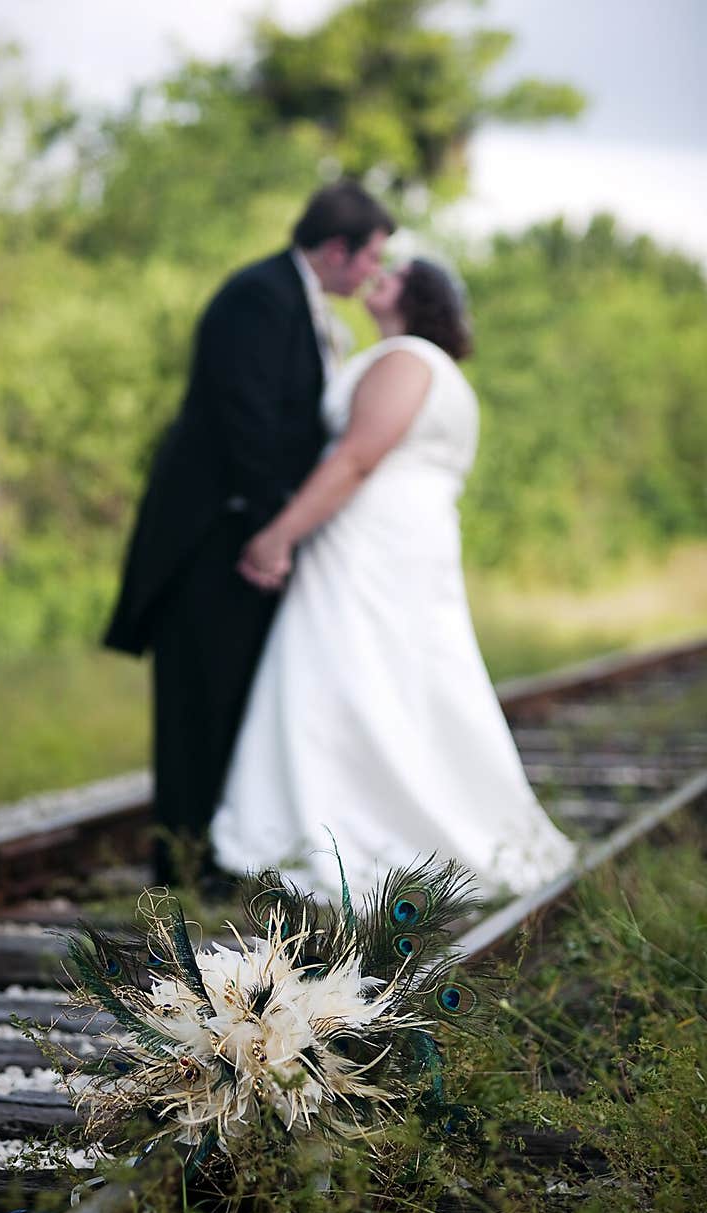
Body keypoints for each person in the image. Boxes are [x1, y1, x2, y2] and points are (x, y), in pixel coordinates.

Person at [211, 258, 577, 902]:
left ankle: (359, 831)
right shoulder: (419, 363)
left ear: (421, 294)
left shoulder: (406, 358)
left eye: (398, 269)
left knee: (356, 673)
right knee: (387, 678)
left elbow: (355, 458)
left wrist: (279, 535)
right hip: (399, 542)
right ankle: (342, 821)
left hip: (370, 542)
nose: (380, 271)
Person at [102, 181, 395, 883]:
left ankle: (221, 854)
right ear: (334, 249)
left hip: (249, 531)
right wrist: (278, 533)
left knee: (236, 700)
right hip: (214, 535)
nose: (373, 274)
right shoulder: (258, 297)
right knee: (198, 702)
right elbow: (247, 423)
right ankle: (180, 866)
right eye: (369, 258)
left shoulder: (303, 303)